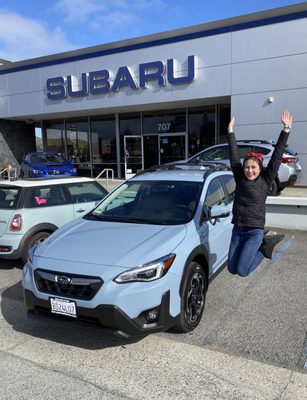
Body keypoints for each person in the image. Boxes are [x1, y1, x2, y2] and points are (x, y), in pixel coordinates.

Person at [227, 110, 292, 277]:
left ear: (259, 168)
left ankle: (264, 249)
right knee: (231, 268)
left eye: (253, 167)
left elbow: (276, 157)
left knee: (242, 271)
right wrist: (230, 132)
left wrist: (286, 130)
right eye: (247, 167)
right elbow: (234, 156)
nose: (249, 170)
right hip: (237, 229)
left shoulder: (265, 180)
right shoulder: (240, 177)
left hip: (254, 231)